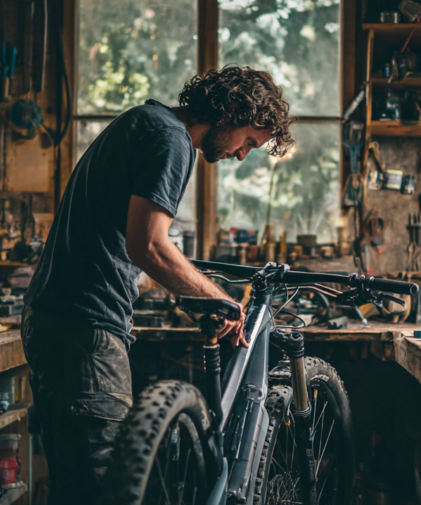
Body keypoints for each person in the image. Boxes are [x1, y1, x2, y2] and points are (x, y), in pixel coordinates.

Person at [22, 66, 294, 504]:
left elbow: (124, 239)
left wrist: (191, 299)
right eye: (249, 141)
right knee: (105, 490)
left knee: (74, 484)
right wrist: (221, 299)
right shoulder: (171, 139)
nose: (242, 155)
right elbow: (147, 244)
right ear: (234, 111)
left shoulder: (145, 120)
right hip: (86, 329)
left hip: (57, 320)